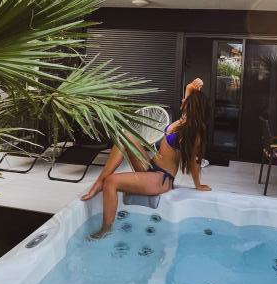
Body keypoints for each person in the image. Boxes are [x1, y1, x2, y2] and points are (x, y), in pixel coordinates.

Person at [81, 78, 211, 238]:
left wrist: (198, 184)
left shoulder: (194, 133)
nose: (183, 103)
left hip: (161, 178)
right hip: (149, 166)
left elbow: (193, 161)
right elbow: (186, 100)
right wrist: (190, 88)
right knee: (126, 135)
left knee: (112, 181)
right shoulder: (183, 119)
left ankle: (105, 229)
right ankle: (99, 181)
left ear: (193, 109)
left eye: (187, 103)